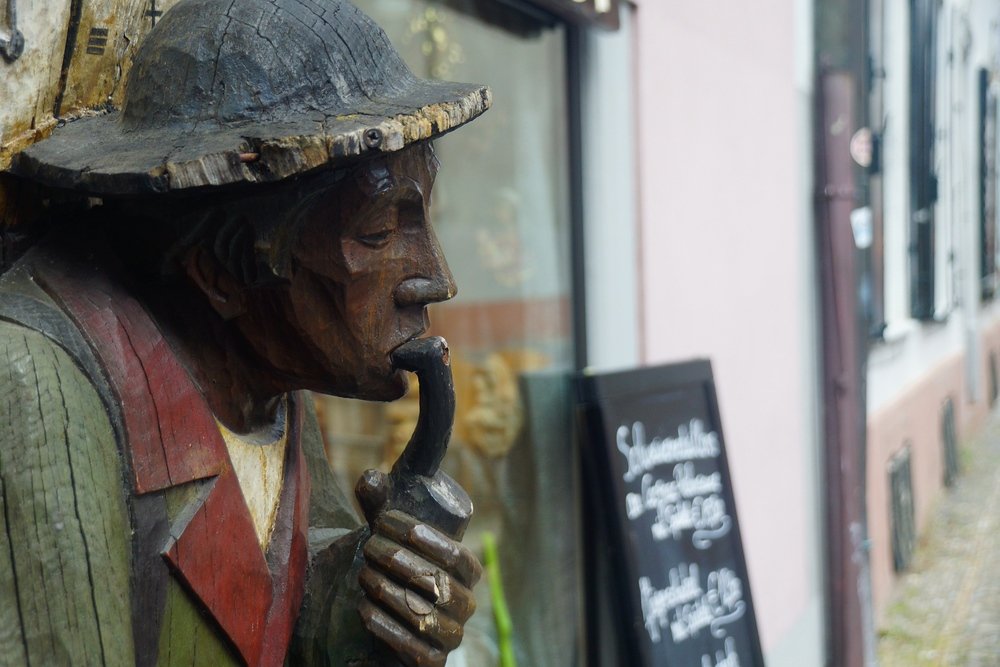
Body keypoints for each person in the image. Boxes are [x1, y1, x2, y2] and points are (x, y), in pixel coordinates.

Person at [0, 0, 491, 665]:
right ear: (224, 270)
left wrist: (368, 601)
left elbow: (276, 609)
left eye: (421, 219)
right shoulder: (37, 387)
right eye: (377, 233)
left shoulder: (271, 376)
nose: (437, 278)